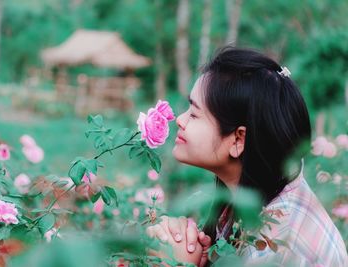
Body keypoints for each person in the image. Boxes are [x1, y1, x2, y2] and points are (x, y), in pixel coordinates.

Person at [146, 47, 348, 266]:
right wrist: (185, 246)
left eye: (194, 114)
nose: (180, 120)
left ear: (238, 140)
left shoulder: (276, 246)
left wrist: (176, 264)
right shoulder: (251, 199)